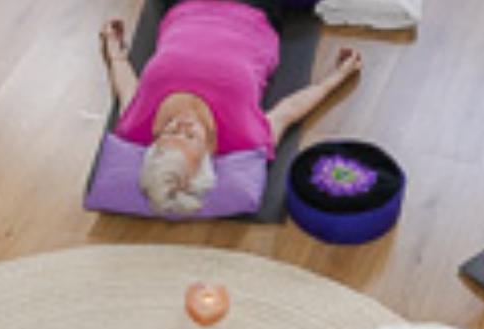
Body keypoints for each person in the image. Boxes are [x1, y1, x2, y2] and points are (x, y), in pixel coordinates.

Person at [99, 0, 362, 216]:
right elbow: (290, 109)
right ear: (209, 153)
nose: (181, 123)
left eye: (169, 132)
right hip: (254, 9)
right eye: (190, 136)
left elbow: (125, 83)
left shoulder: (135, 127)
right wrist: (338, 76)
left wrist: (113, 47)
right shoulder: (245, 137)